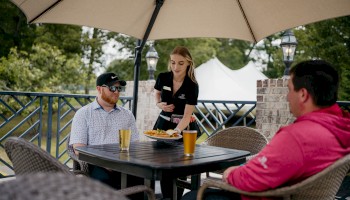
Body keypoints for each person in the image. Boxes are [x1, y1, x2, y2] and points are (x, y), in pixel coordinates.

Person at [182, 60, 350, 200]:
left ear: (303, 95)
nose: (286, 96)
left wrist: (231, 173)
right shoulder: (341, 127)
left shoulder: (297, 137)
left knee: (191, 196)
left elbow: (250, 179)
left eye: (289, 89)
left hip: (260, 196)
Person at [69, 72, 143, 198]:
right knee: (103, 183)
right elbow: (78, 148)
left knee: (145, 180)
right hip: (96, 165)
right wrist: (107, 164)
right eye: (112, 88)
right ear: (99, 89)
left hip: (124, 165)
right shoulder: (83, 114)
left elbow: (135, 144)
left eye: (119, 88)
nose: (116, 91)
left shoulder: (127, 115)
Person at [153, 46, 201, 200]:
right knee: (162, 164)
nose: (175, 67)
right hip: (162, 125)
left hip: (183, 129)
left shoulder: (192, 86)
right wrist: (159, 104)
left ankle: (177, 198)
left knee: (180, 168)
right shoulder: (163, 77)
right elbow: (157, 94)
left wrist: (176, 132)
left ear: (188, 63)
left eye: (180, 63)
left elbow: (187, 116)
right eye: (173, 62)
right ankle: (168, 197)